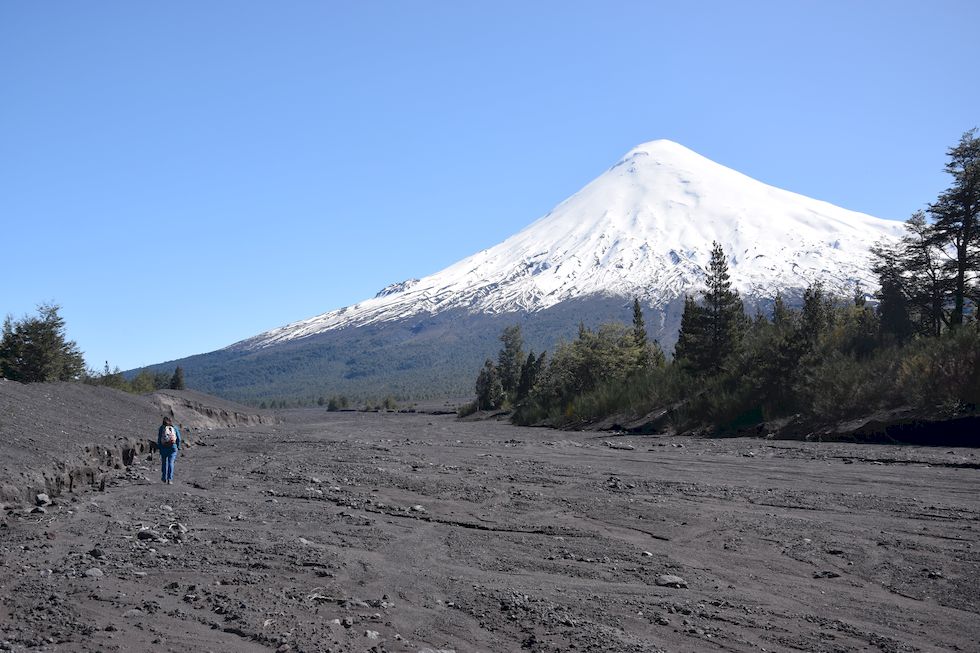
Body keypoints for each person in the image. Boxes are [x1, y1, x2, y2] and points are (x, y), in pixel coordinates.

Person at [157, 416, 182, 484]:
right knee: (171, 462)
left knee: (164, 462)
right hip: (173, 447)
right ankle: (170, 479)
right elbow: (179, 438)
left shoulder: (162, 428)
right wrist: (178, 446)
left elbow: (159, 438)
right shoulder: (174, 427)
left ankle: (164, 478)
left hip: (163, 447)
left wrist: (159, 447)